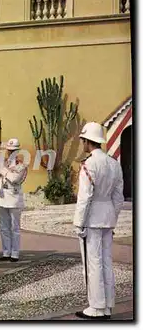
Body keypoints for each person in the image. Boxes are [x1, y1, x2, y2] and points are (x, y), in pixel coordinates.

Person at [73, 122, 124, 320]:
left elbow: (85, 197)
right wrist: (113, 217)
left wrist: (79, 222)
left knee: (92, 262)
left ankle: (96, 306)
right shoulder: (114, 163)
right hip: (107, 217)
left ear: (88, 141)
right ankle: (107, 305)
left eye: (83, 140)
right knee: (106, 262)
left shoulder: (89, 164)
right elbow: (118, 198)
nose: (83, 144)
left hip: (92, 219)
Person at [0, 138, 27, 262]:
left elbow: (14, 179)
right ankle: (6, 251)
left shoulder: (21, 165)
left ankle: (15, 253)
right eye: (9, 150)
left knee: (15, 228)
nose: (10, 153)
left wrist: (3, 170)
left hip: (14, 198)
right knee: (4, 227)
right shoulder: (4, 163)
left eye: (13, 150)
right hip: (3, 197)